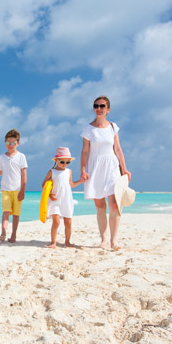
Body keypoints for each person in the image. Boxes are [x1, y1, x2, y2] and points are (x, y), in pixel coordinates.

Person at [80, 96, 131, 250]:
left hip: (112, 167)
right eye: (96, 106)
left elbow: (118, 149)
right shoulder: (88, 129)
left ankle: (114, 241)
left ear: (108, 109)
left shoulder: (113, 127)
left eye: (102, 106)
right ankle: (104, 240)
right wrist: (82, 169)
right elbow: (85, 151)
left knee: (115, 204)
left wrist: (125, 168)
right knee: (100, 205)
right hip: (95, 167)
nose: (99, 108)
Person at [0, 129, 28, 243]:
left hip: (17, 190)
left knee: (16, 214)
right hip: (5, 189)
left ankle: (13, 235)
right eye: (8, 142)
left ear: (17, 143)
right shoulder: (2, 157)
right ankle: (3, 233)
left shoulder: (21, 156)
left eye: (13, 143)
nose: (10, 145)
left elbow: (24, 174)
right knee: (6, 212)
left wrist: (23, 190)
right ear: (5, 143)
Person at [41, 147, 83, 248]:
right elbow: (44, 185)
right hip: (55, 200)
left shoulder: (68, 171)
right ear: (56, 160)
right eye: (62, 161)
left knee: (68, 223)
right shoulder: (52, 172)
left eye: (67, 162)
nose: (65, 164)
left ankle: (67, 241)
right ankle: (53, 242)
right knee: (56, 221)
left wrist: (81, 181)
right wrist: (49, 194)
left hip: (66, 200)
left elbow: (71, 184)